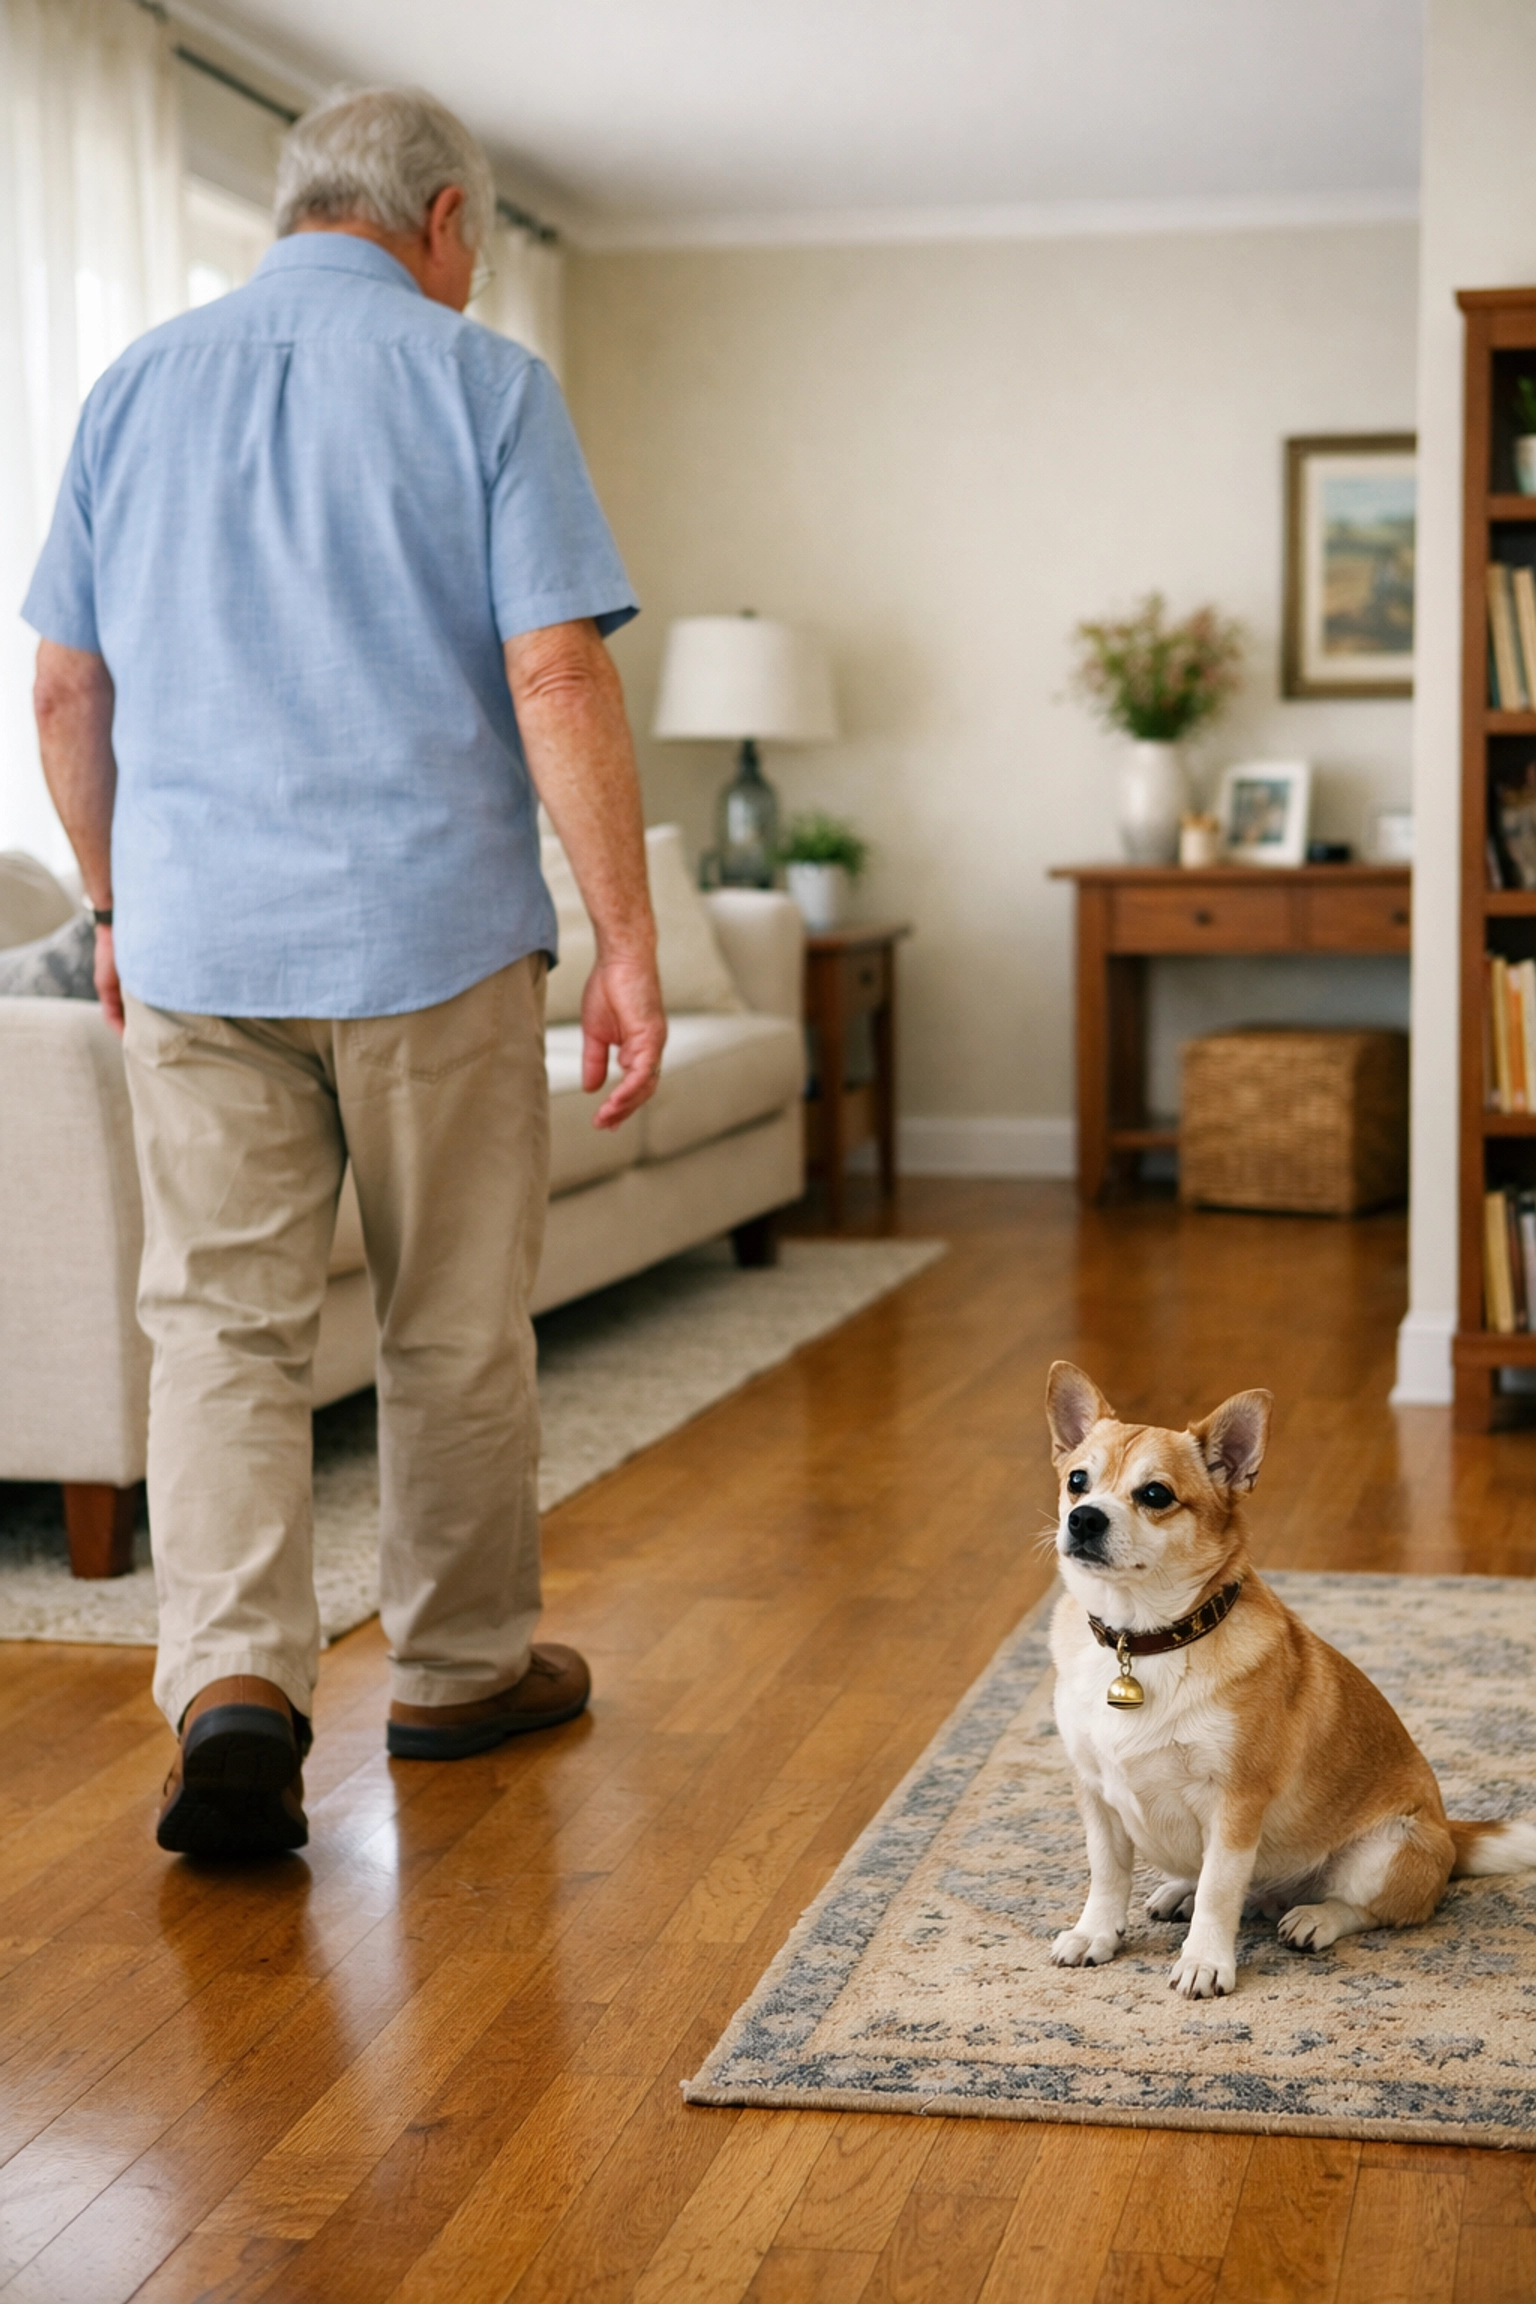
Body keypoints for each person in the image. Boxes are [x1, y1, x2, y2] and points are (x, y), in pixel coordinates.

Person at [23, 88, 666, 1859]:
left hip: (201, 947)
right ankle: (458, 1672)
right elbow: (556, 679)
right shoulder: (481, 383)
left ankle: (234, 1689)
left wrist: (112, 899)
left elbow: (66, 693)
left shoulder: (135, 386)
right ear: (446, 219)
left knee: (218, 1327)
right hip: (432, 940)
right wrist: (627, 937)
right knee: (450, 1323)